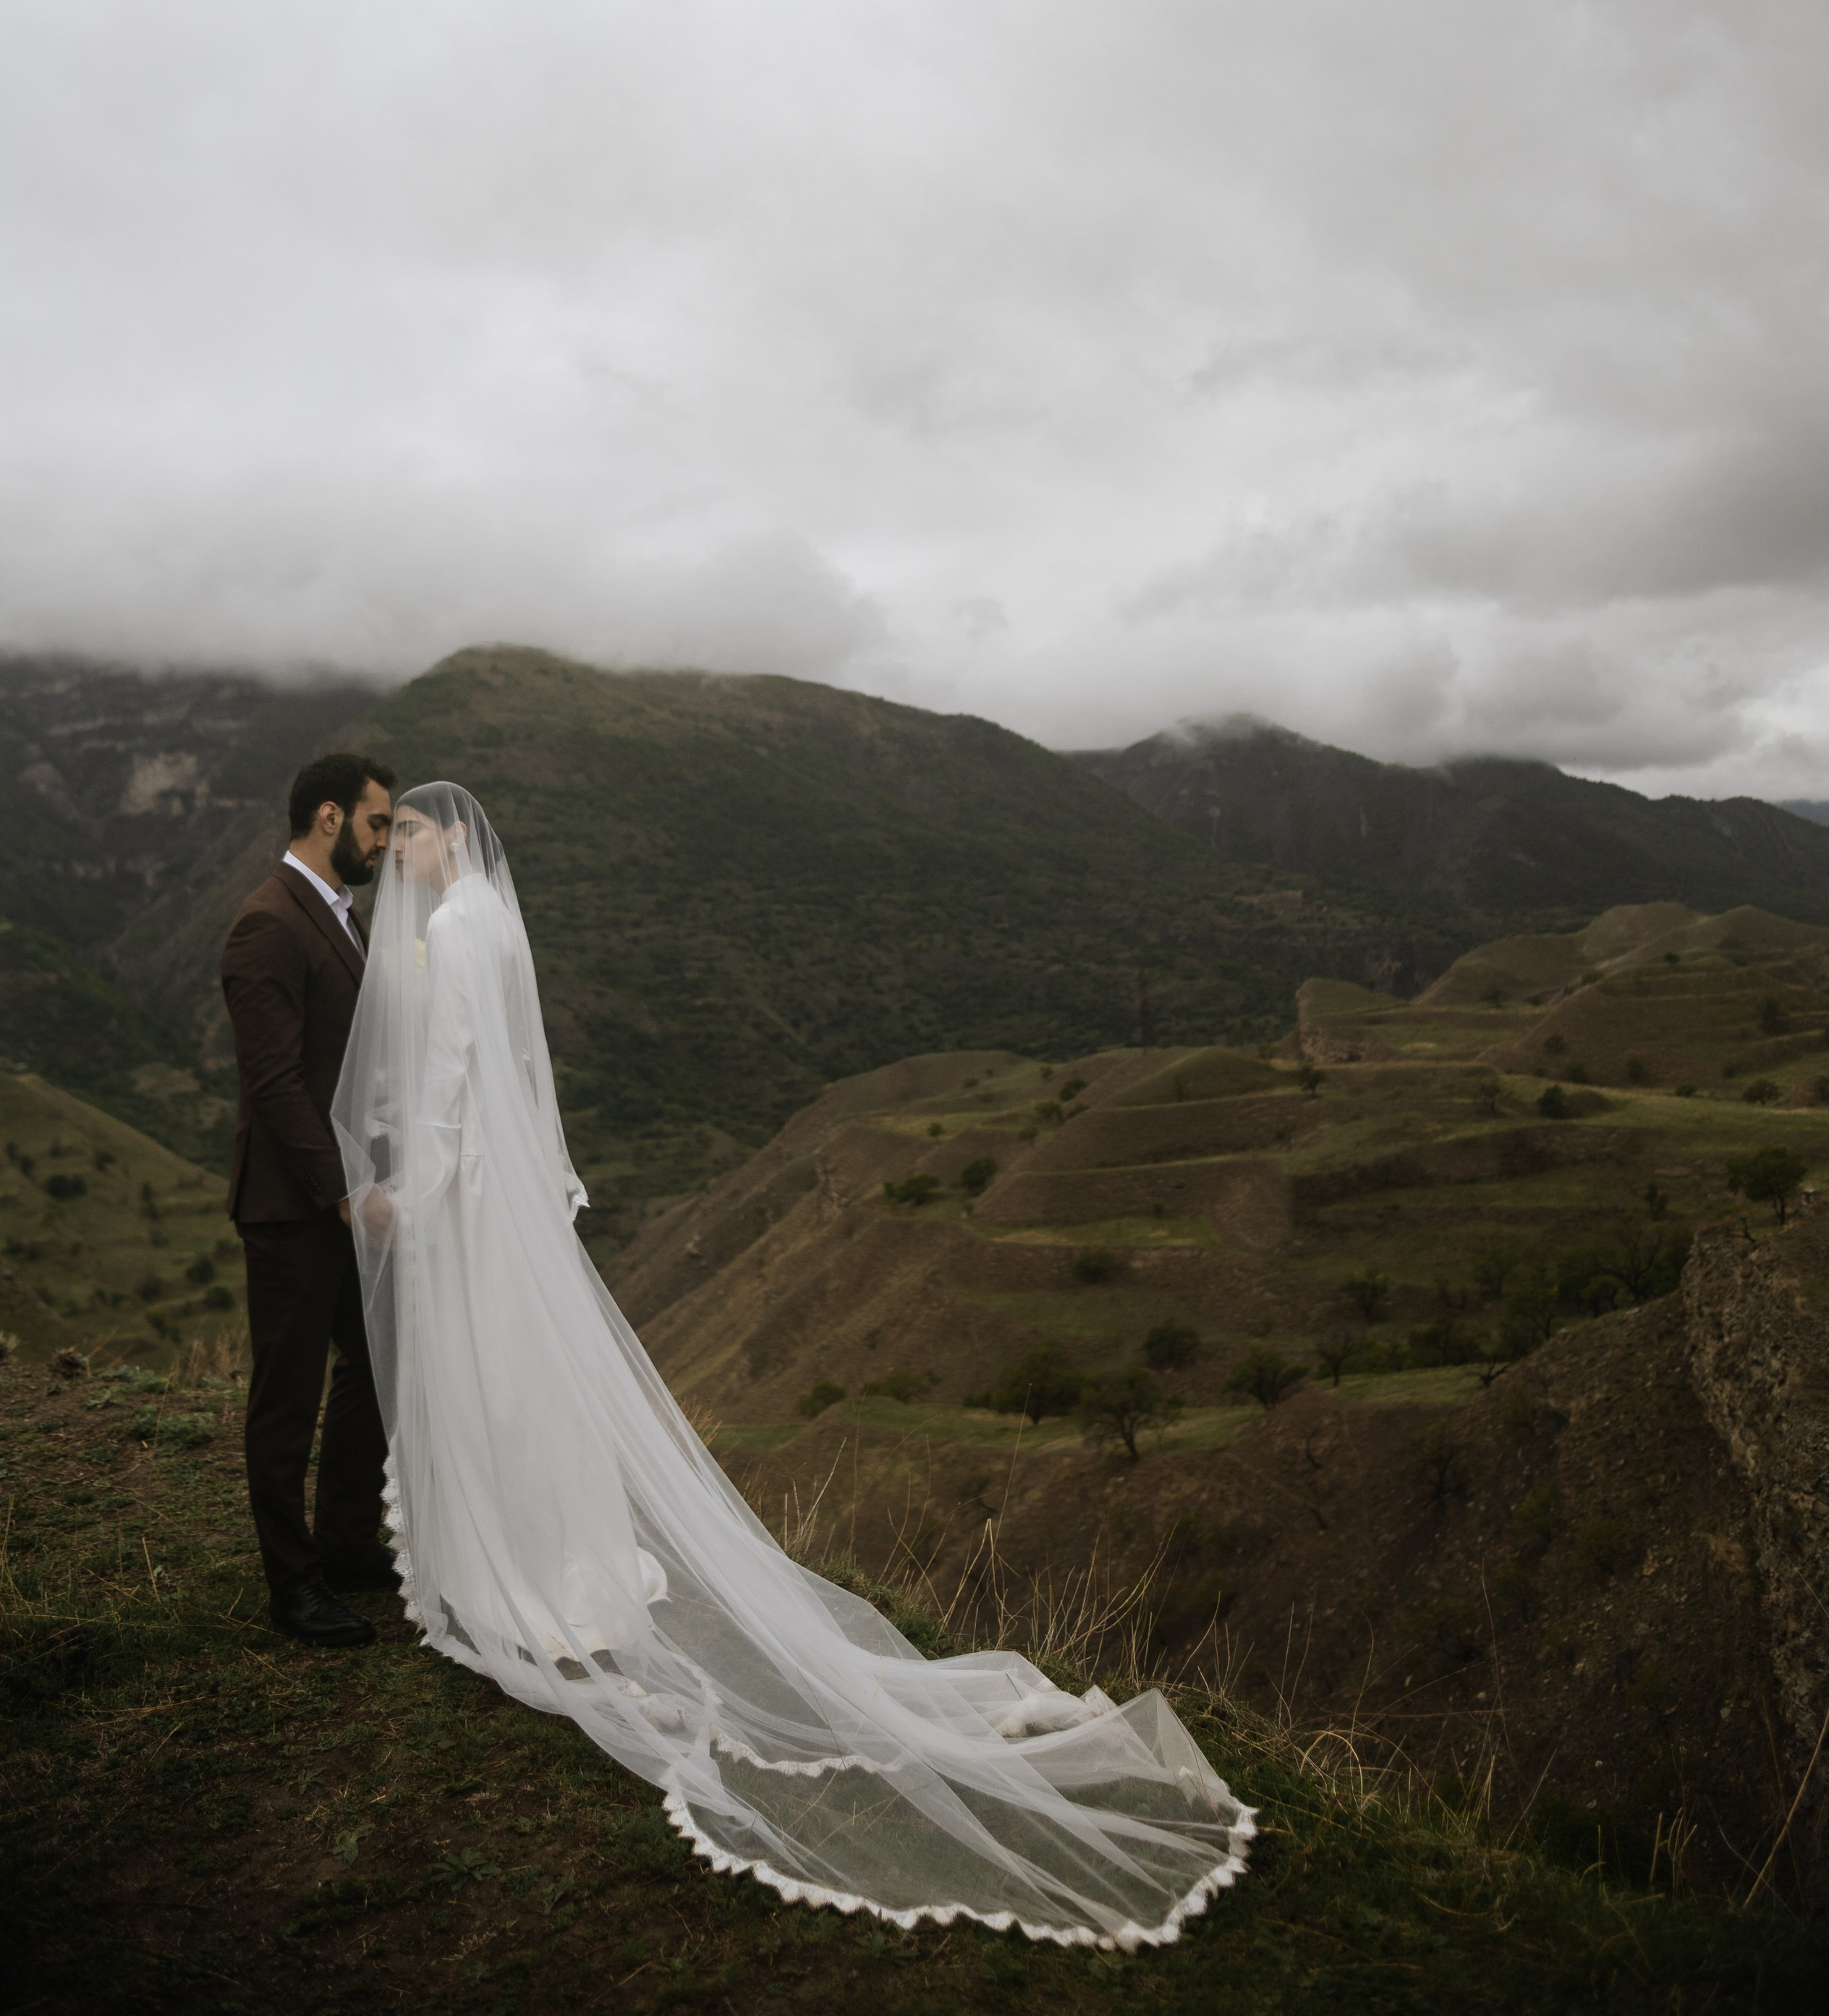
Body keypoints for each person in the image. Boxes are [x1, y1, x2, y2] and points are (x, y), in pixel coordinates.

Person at [334, 783, 1255, 1949]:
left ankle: (523, 1572)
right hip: (498, 1189)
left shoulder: (460, 926)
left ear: (454, 837)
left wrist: (415, 1193)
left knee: (501, 1377)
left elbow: (459, 1070)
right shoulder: (491, 921)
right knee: (517, 1378)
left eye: (412, 833)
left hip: (471, 1191)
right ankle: (539, 1559)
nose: (399, 851)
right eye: (394, 837)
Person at [221, 748, 397, 1646]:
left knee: (375, 1362)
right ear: (330, 817)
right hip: (293, 1208)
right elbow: (275, 1085)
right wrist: (342, 1192)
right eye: (376, 822)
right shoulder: (268, 922)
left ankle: (346, 1541)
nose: (384, 841)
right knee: (286, 1401)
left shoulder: (338, 915)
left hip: (343, 1197)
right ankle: (293, 1589)